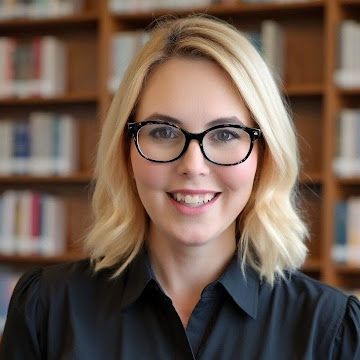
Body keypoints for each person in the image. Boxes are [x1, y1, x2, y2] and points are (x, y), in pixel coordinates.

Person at [0, 15, 359, 360]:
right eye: (163, 132)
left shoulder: (329, 331)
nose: (193, 166)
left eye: (225, 135)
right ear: (126, 150)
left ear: (264, 157)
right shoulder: (45, 309)